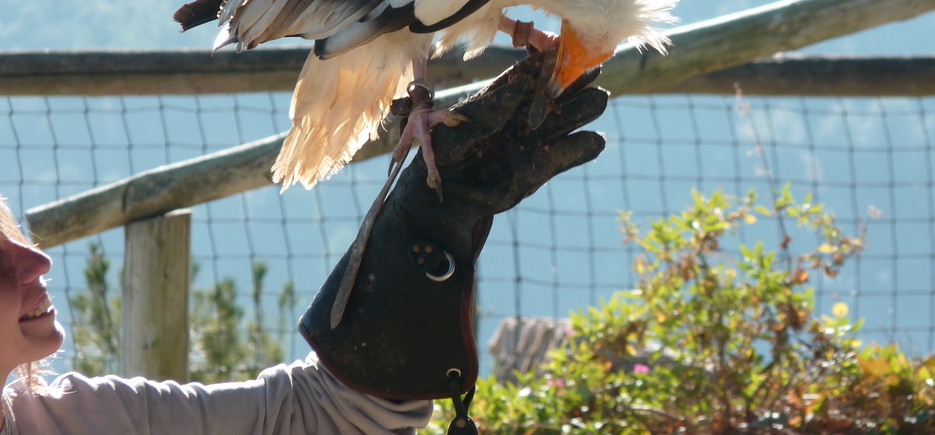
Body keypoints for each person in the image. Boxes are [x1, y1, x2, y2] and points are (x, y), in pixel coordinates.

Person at [1, 53, 608, 435]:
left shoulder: (87, 419)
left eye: (15, 239)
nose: (38, 259)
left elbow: (326, 416)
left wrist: (425, 221)